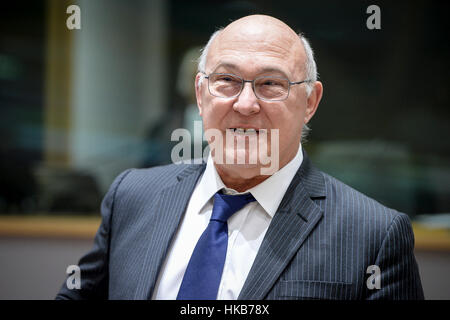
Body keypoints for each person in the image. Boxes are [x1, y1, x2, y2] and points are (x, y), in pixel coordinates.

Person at [56, 14, 424, 300]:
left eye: (270, 84)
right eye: (227, 80)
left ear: (310, 102)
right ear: (200, 95)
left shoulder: (373, 235)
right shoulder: (132, 197)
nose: (245, 104)